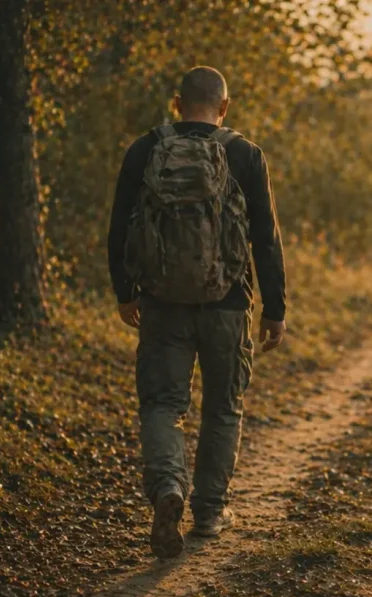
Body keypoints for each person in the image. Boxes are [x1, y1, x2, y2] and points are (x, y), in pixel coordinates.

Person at [107, 66, 287, 559]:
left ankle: (169, 489)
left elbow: (119, 227)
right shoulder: (245, 154)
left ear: (177, 102)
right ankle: (209, 512)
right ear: (224, 107)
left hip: (162, 302)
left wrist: (126, 291)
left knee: (164, 404)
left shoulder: (145, 150)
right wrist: (275, 309)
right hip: (228, 304)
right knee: (223, 406)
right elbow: (265, 240)